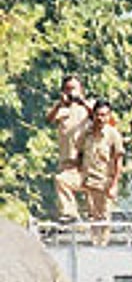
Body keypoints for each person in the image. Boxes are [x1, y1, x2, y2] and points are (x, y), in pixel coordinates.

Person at [65, 100, 125, 245]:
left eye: (104, 115)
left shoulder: (113, 135)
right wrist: (75, 168)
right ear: (93, 115)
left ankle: (102, 246)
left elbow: (118, 162)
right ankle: (70, 214)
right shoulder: (86, 133)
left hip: (104, 182)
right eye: (98, 115)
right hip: (87, 179)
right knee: (62, 180)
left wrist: (114, 184)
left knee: (102, 218)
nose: (100, 118)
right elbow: (78, 152)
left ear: (109, 116)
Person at [47, 74, 93, 220]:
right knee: (61, 181)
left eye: (74, 88)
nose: (71, 92)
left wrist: (81, 101)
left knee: (92, 198)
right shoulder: (61, 109)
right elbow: (49, 119)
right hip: (68, 159)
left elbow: (102, 117)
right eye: (68, 89)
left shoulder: (89, 106)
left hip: (88, 160)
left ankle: (97, 226)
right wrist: (60, 104)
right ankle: (70, 214)